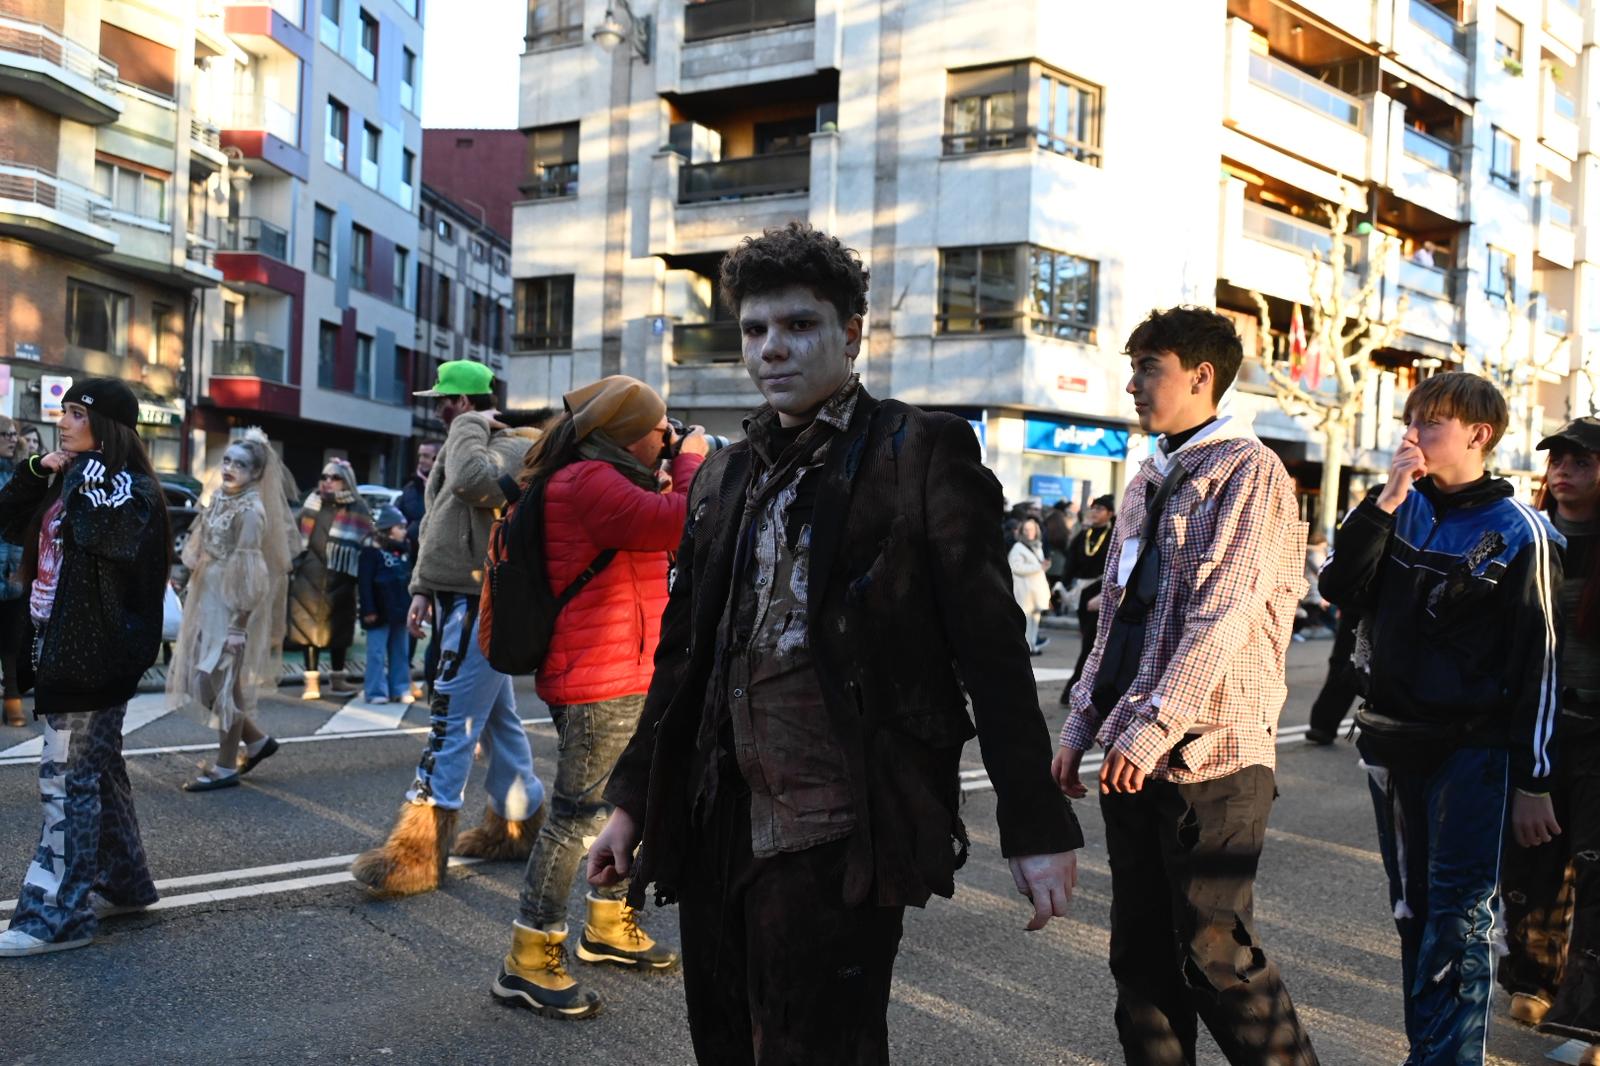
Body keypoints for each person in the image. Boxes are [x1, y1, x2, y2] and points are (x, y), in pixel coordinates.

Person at [586, 222, 1081, 1062]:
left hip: (838, 825)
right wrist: (632, 801)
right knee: (724, 1044)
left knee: (823, 1050)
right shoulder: (725, 471)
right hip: (714, 820)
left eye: (799, 326)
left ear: (851, 333)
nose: (772, 348)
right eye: (754, 330)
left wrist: (1036, 827)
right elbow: (684, 658)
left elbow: (992, 654)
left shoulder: (918, 452)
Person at [1055, 306, 1320, 1065]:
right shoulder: (1147, 477)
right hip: (1137, 759)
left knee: (1216, 953)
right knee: (1139, 955)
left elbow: (1224, 611)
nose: (1132, 384)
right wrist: (1081, 726)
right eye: (1132, 367)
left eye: (1149, 367)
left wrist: (1148, 728)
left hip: (1217, 758)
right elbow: (1115, 620)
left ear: (1201, 376)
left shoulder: (1251, 472)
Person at [1319, 371, 1562, 1066]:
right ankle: (1428, 1051)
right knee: (1413, 915)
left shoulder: (1519, 532)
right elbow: (1337, 586)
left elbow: (1537, 662)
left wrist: (1534, 779)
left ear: (1478, 434)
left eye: (1429, 423)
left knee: (1459, 920)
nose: (1412, 435)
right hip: (1391, 742)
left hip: (1473, 751)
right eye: (1411, 420)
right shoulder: (1394, 504)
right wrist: (1390, 500)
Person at [491, 376, 708, 1019]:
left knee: (625, 807)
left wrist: (670, 467)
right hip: (598, 676)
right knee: (579, 817)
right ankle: (528, 957)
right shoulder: (586, 481)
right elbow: (682, 524)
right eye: (659, 427)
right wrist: (693, 459)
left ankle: (608, 926)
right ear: (625, 433)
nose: (666, 435)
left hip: (620, 668)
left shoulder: (602, 475)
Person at [352, 360, 547, 896]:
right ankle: (516, 825)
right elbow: (439, 524)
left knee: (450, 720)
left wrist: (470, 424)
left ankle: (417, 855)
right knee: (497, 724)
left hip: (478, 601)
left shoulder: (505, 444)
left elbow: (468, 485)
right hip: (459, 597)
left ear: (462, 402)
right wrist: (420, 588)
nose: (436, 406)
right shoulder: (473, 438)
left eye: (444, 400)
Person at [0, 378, 168, 956]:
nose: (63, 422)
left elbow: (101, 536)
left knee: (65, 783)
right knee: (97, 770)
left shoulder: (128, 489)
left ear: (108, 428)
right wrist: (40, 470)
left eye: (76, 414)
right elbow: (4, 517)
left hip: (93, 657)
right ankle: (124, 880)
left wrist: (76, 476)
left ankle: (58, 917)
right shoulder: (73, 477)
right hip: (60, 645)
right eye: (63, 411)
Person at [1496, 417, 1600, 1065]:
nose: (1563, 470)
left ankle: (1589, 1022)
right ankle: (1537, 976)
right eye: (1557, 459)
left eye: (1581, 461)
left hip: (1598, 732)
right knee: (1530, 864)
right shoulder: (1530, 537)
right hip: (1540, 728)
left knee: (1594, 873)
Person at [169, 431, 299, 792]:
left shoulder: (252, 511)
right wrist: (188, 576)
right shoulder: (221, 498)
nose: (230, 469)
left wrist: (239, 626)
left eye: (240, 464)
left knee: (218, 684)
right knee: (208, 682)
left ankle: (226, 765)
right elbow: (201, 544)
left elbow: (251, 575)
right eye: (227, 460)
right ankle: (257, 741)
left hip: (231, 605)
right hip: (206, 594)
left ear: (256, 473)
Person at [285, 459, 372, 700]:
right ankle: (311, 681)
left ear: (346, 481)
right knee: (306, 628)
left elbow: (368, 541)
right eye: (324, 477)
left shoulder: (358, 507)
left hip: (342, 576)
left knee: (340, 629)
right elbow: (292, 534)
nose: (327, 482)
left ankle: (338, 680)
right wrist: (295, 564)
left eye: (334, 477)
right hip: (309, 574)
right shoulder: (311, 503)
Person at [1057, 493, 1115, 705]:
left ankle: (1074, 691)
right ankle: (1084, 691)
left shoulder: (1115, 535)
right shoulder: (1084, 535)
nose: (1095, 512)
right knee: (1089, 643)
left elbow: (1117, 569)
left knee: (1091, 646)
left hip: (1102, 595)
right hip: (1083, 595)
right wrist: (1061, 586)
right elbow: (1071, 562)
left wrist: (1105, 595)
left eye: (1100, 509)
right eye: (1093, 508)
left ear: (1110, 513)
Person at [357, 506, 413, 706]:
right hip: (378, 610)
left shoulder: (404, 551)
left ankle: (400, 688)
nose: (404, 531)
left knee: (401, 651)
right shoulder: (371, 551)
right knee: (376, 653)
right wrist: (368, 609)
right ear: (389, 528)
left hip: (400, 609)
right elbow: (364, 583)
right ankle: (375, 691)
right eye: (400, 527)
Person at [0, 416, 28, 726]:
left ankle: (13, 700)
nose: (11, 438)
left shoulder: (22, 475)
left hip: (15, 572)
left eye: (13, 434)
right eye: (4, 434)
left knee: (13, 642)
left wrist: (23, 569)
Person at [1009, 516, 1051, 655]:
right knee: (1026, 621)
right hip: (1025, 590)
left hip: (1036, 590)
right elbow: (1016, 567)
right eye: (1026, 530)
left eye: (1031, 529)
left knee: (1035, 620)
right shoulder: (1018, 547)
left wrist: (1042, 567)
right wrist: (1039, 567)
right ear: (1021, 531)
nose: (1029, 532)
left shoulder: (1037, 545)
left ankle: (1033, 646)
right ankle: (1026, 648)